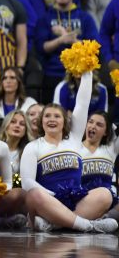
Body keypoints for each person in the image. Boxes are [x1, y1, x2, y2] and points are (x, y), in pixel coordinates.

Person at [20, 70, 118, 232]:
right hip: (47, 201)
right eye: (47, 116)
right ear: (41, 121)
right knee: (34, 194)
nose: (52, 119)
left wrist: (87, 71)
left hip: (75, 201)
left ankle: (54, 224)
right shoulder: (33, 147)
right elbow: (27, 182)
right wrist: (53, 196)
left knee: (105, 194)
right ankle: (88, 225)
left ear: (64, 120)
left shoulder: (74, 138)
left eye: (57, 116)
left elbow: (82, 103)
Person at [37, 0, 99, 103]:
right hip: (52, 72)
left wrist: (70, 38)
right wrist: (61, 39)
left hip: (80, 73)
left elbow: (94, 48)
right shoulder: (45, 18)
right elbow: (41, 47)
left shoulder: (85, 18)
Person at [80, 111, 119, 219]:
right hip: (81, 200)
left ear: (106, 132)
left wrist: (114, 127)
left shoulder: (111, 149)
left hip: (107, 203)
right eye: (90, 122)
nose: (93, 126)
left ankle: (103, 219)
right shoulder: (74, 147)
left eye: (99, 124)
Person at [0, 110, 30, 189]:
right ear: (6, 125)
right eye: (13, 122)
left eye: (22, 124)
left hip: (16, 191)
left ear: (26, 130)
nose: (17, 126)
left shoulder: (27, 152)